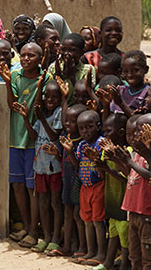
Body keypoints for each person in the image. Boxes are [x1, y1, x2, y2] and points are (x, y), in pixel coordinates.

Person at [0, 43, 51, 248]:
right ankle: (27, 226)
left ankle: (33, 231)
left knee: (33, 189)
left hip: (33, 142)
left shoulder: (45, 79)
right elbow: (12, 104)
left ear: (40, 58)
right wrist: (6, 83)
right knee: (18, 186)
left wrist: (38, 88)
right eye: (23, 55)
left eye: (31, 55)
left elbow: (40, 107)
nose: (26, 59)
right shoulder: (16, 77)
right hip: (15, 139)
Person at [13, 80, 63, 254]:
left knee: (55, 202)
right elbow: (34, 136)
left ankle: (55, 239)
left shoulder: (58, 113)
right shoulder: (40, 114)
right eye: (47, 96)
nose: (50, 99)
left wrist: (42, 118)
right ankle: (46, 237)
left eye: (54, 97)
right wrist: (27, 117)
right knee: (43, 202)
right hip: (40, 167)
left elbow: (54, 136)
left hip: (54, 167)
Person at [105, 113, 151, 269]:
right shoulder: (136, 154)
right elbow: (130, 175)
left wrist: (129, 162)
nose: (136, 135)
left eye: (141, 131)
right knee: (135, 255)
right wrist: (118, 160)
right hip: (133, 210)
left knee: (148, 256)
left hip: (147, 213)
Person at [61, 110, 107, 266]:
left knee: (98, 221)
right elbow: (77, 166)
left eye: (89, 127)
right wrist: (70, 152)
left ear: (98, 126)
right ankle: (90, 251)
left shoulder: (101, 143)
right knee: (87, 220)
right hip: (85, 188)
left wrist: (95, 159)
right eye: (82, 128)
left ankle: (101, 253)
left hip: (97, 187)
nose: (85, 131)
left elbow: (103, 173)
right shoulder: (81, 145)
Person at [45, 104, 88, 258]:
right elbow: (64, 160)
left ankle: (83, 247)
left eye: (72, 121)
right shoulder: (67, 137)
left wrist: (70, 151)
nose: (67, 124)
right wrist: (57, 154)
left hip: (78, 181)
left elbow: (79, 166)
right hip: (67, 180)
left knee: (78, 215)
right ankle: (67, 246)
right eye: (67, 120)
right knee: (67, 213)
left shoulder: (82, 142)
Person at [93, 113, 130, 270]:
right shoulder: (107, 150)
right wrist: (96, 162)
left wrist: (108, 165)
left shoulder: (126, 152)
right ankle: (108, 262)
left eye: (108, 131)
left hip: (124, 200)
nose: (105, 135)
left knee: (124, 235)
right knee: (113, 231)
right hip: (111, 198)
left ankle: (125, 265)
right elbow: (102, 173)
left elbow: (126, 177)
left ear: (120, 133)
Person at [48, 33, 95, 103]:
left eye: (72, 50)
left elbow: (85, 95)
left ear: (82, 52)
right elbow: (49, 93)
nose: (66, 53)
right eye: (63, 49)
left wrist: (72, 76)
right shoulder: (54, 67)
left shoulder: (88, 70)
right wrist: (57, 75)